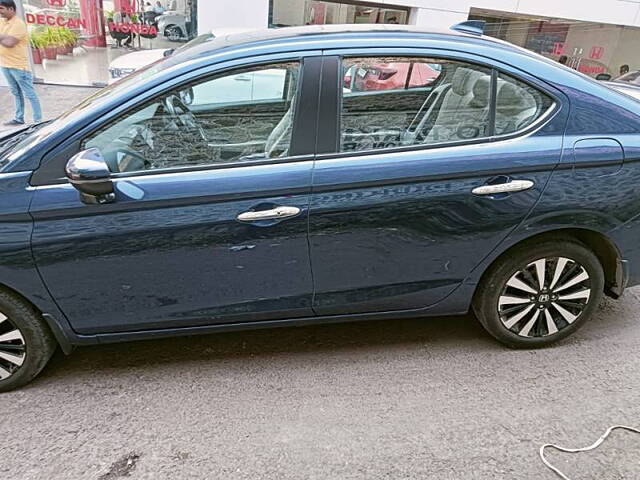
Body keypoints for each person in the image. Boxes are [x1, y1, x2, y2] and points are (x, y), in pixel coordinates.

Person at [0, 0, 42, 126]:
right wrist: (4, 36)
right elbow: (5, 40)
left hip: (19, 67)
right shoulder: (2, 22)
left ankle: (38, 121)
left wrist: (3, 37)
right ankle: (19, 118)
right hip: (5, 64)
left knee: (29, 94)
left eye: (1, 8)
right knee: (15, 93)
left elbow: (10, 43)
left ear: (11, 9)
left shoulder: (19, 24)